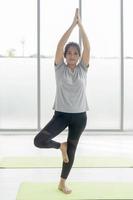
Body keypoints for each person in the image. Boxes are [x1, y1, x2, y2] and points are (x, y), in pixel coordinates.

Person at [34, 8, 90, 194]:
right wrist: (72, 25)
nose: (72, 56)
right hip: (61, 115)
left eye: (75, 53)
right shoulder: (60, 69)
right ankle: (61, 146)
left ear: (79, 56)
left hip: (80, 117)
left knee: (72, 151)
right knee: (39, 140)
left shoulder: (83, 69)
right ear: (65, 56)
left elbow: (88, 48)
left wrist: (81, 26)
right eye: (69, 53)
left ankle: (62, 182)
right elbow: (60, 45)